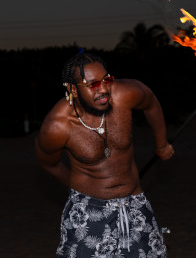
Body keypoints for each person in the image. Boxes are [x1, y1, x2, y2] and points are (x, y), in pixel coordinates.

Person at [35, 52, 174, 258]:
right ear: (72, 89)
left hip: (134, 202)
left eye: (106, 80)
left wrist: (161, 144)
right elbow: (50, 165)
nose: (103, 89)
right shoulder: (57, 126)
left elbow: (151, 102)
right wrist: (80, 191)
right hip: (89, 213)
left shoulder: (125, 95)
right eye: (92, 85)